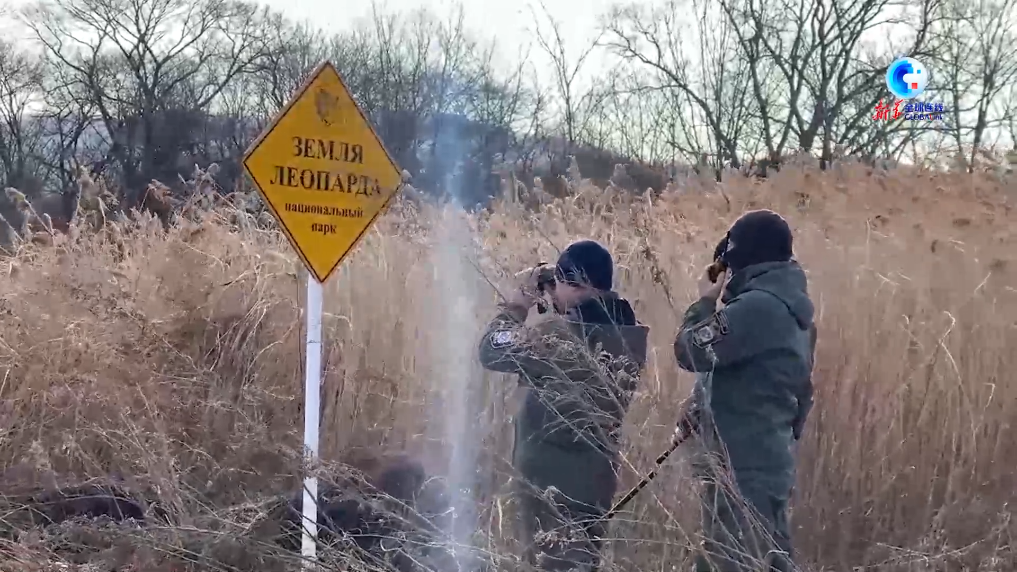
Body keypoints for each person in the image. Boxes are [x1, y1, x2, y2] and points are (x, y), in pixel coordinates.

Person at [477, 240, 650, 572]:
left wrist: (518, 306)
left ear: (576, 285)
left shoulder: (556, 336)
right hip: (595, 478)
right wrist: (561, 302)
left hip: (550, 484)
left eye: (559, 283)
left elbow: (491, 349)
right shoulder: (627, 332)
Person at [672, 210, 818, 572]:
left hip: (742, 471)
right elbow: (791, 390)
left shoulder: (756, 307)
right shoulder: (789, 308)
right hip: (766, 464)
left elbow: (690, 350)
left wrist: (705, 301)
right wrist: (700, 407)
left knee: (734, 560)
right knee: (765, 559)